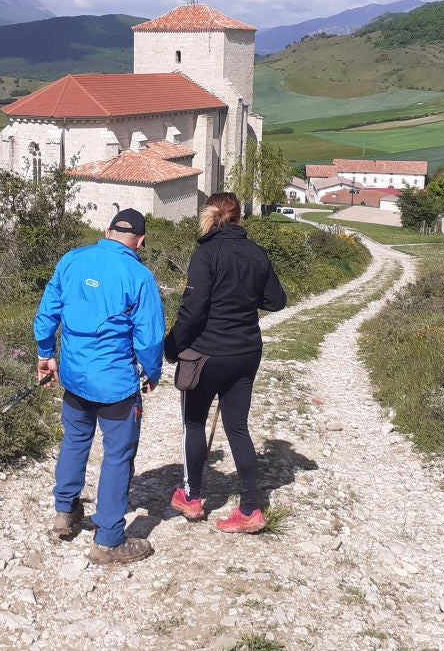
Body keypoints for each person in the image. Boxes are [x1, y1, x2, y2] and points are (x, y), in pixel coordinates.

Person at [35, 207, 165, 564]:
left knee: (75, 441)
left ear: (107, 231)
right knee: (118, 456)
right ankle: (108, 541)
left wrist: (46, 354)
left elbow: (48, 311)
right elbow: (150, 338)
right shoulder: (139, 276)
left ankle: (65, 511)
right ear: (140, 241)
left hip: (75, 377)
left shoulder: (73, 260)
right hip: (116, 386)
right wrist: (152, 373)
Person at [166, 192, 287, 533]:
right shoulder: (256, 253)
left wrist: (172, 346)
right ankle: (250, 509)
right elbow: (276, 301)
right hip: (246, 353)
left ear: (209, 215)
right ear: (238, 217)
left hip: (206, 353)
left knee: (193, 423)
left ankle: (191, 497)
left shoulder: (206, 253)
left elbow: (193, 309)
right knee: (237, 427)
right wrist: (246, 298)